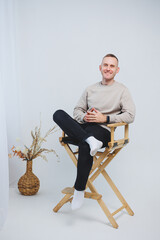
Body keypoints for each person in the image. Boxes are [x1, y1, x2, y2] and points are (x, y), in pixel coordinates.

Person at [53, 53, 136, 210]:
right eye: (105, 65)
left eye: (112, 66)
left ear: (117, 70)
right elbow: (77, 110)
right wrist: (86, 117)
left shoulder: (122, 90)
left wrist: (104, 118)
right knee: (58, 114)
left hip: (103, 131)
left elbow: (130, 115)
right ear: (100, 68)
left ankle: (79, 190)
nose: (108, 68)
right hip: (84, 127)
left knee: (85, 145)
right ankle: (89, 140)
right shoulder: (90, 89)